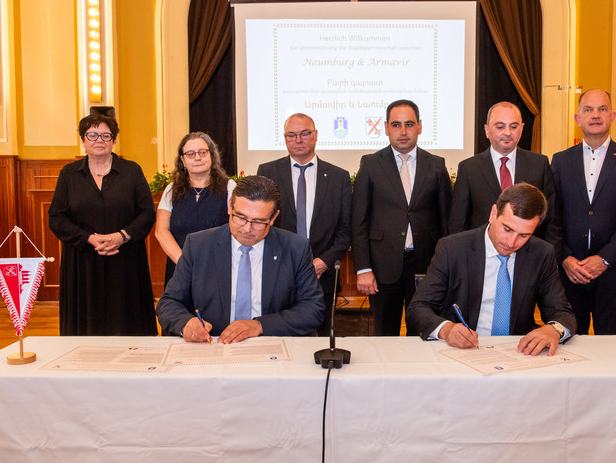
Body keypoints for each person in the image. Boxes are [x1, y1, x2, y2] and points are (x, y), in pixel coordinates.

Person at [408, 183, 577, 355]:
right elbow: (418, 307)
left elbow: (562, 312)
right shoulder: (453, 248)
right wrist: (446, 329)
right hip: (461, 351)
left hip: (517, 352)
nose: (511, 242)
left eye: (523, 235)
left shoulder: (541, 253)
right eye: (507, 229)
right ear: (493, 213)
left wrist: (554, 329)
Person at [156, 175, 324, 343]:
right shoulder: (198, 245)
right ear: (230, 206)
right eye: (241, 217)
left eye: (258, 222)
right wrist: (186, 323)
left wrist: (260, 325)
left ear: (273, 218)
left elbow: (313, 309)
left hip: (270, 345)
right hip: (213, 345)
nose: (247, 228)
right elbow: (169, 303)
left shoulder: (295, 248)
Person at [48, 113, 157, 335]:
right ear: (83, 140)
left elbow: (147, 213)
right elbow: (56, 217)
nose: (99, 140)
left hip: (126, 260)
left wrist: (123, 236)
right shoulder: (69, 174)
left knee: (129, 325)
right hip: (83, 261)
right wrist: (88, 237)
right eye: (92, 135)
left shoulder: (132, 171)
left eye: (106, 135)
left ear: (114, 140)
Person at [352, 99, 452, 336]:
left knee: (422, 332)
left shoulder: (436, 165)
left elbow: (447, 221)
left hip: (426, 265)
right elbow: (359, 221)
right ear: (386, 128)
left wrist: (448, 267)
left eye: (409, 124)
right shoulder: (370, 164)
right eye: (396, 125)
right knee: (384, 333)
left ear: (420, 126)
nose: (403, 132)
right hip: (383, 265)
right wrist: (362, 268)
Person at [551, 89, 616, 334]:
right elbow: (552, 217)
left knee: (610, 345)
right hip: (571, 272)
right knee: (570, 341)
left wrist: (604, 259)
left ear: (613, 116)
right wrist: (566, 258)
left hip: (612, 271)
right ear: (577, 118)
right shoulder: (560, 161)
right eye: (588, 110)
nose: (595, 115)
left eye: (602, 109)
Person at [257, 113, 351, 336]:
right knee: (278, 334)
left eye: (304, 133)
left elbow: (346, 230)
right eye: (292, 135)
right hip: (277, 269)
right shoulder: (267, 172)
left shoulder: (339, 177)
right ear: (285, 138)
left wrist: (323, 262)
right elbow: (261, 222)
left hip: (322, 274)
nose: (298, 140)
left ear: (315, 135)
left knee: (319, 340)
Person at [448, 101, 561, 252]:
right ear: (487, 130)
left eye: (513, 127)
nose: (507, 132)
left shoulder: (539, 164)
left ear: (521, 129)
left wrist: (550, 258)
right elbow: (458, 224)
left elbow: (551, 218)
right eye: (500, 127)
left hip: (529, 255)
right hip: (483, 255)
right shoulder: (469, 168)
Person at [154, 132, 235, 286]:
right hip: (179, 268)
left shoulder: (229, 187)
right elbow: (161, 231)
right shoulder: (171, 190)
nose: (197, 157)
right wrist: (184, 263)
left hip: (216, 268)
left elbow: (235, 228)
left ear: (211, 155)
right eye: (190, 154)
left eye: (202, 152)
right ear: (183, 160)